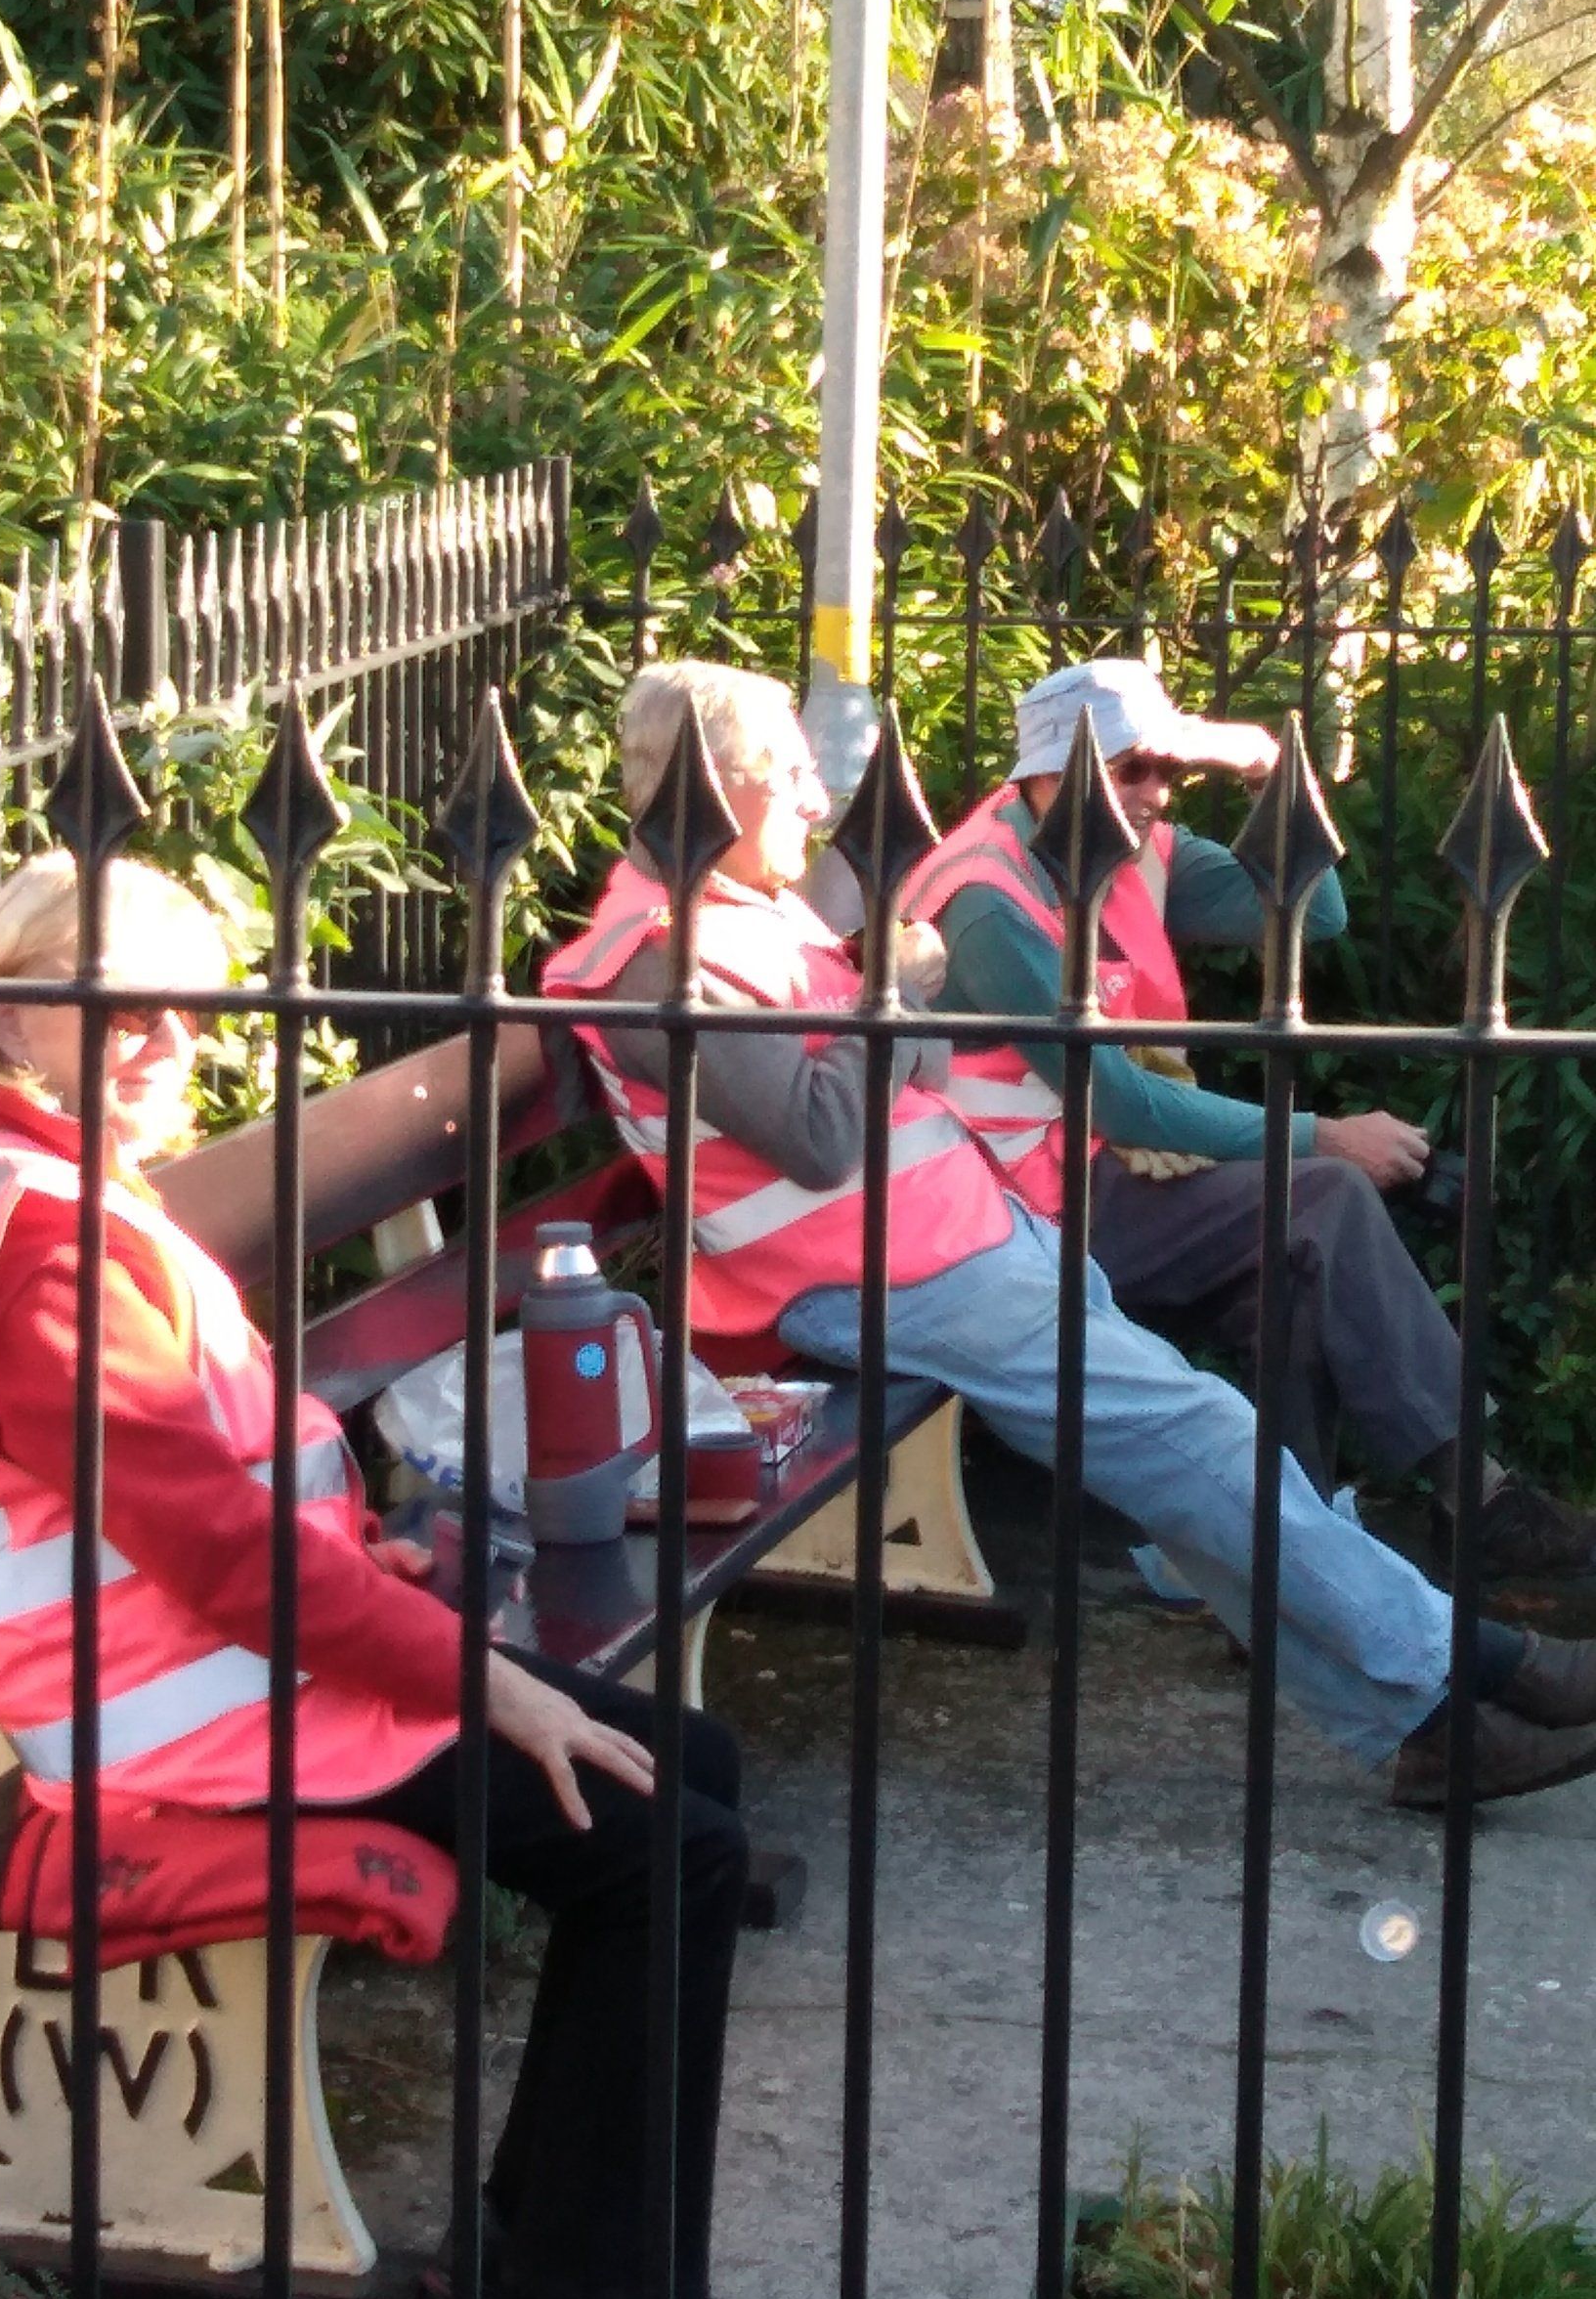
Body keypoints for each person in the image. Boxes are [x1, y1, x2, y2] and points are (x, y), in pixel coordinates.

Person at [0, 850, 746, 2299]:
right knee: (672, 1851)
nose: (171, 1044)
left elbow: (199, 1511)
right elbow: (217, 1550)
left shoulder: (34, 1187)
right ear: (12, 1016)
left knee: (687, 1772)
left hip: (228, 1667)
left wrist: (359, 1565)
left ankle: (535, 2247)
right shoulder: (36, 1247)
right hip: (176, 1726)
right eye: (129, 1009)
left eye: (192, 1013)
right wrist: (482, 1676)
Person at [544, 660, 1596, 1810]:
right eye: (790, 770)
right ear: (715, 783)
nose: (815, 795)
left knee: (1186, 1464)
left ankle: (1427, 1725)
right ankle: (1477, 1664)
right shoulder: (655, 958)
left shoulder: (745, 910)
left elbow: (907, 1066)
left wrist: (894, 1002)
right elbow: (826, 1132)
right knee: (1199, 1434)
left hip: (963, 1240)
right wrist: (891, 985)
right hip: (871, 1277)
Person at [900, 655, 1596, 1582]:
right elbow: (1119, 1099)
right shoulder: (988, 899)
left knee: (1297, 1265)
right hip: (1005, 1207)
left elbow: (1317, 913)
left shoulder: (1134, 846)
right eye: (1130, 768)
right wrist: (1326, 1135)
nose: (1155, 793)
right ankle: (1454, 1509)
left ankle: (1288, 1563)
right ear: (1049, 770)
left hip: (1088, 1171)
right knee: (1323, 1198)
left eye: (1168, 769)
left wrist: (1272, 770)